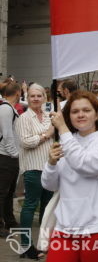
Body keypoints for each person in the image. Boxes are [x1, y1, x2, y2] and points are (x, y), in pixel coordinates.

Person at [43, 91, 98, 261]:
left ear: (97, 114)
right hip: (64, 228)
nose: (80, 115)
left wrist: (62, 129)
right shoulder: (66, 141)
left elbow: (86, 165)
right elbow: (50, 185)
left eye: (86, 110)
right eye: (75, 111)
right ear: (68, 116)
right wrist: (51, 163)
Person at [15, 84, 55, 259]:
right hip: (33, 168)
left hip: (50, 168)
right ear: (27, 98)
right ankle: (25, 245)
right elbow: (26, 142)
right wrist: (46, 134)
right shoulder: (24, 118)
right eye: (32, 96)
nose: (36, 99)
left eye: (39, 96)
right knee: (30, 205)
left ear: (44, 98)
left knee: (47, 208)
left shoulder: (48, 116)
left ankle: (43, 243)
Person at [0, 80, 20, 239]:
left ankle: (9, 220)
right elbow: (7, 135)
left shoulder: (8, 107)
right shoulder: (6, 109)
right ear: (18, 93)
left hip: (9, 156)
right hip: (6, 157)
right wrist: (15, 154)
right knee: (2, 192)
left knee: (9, 192)